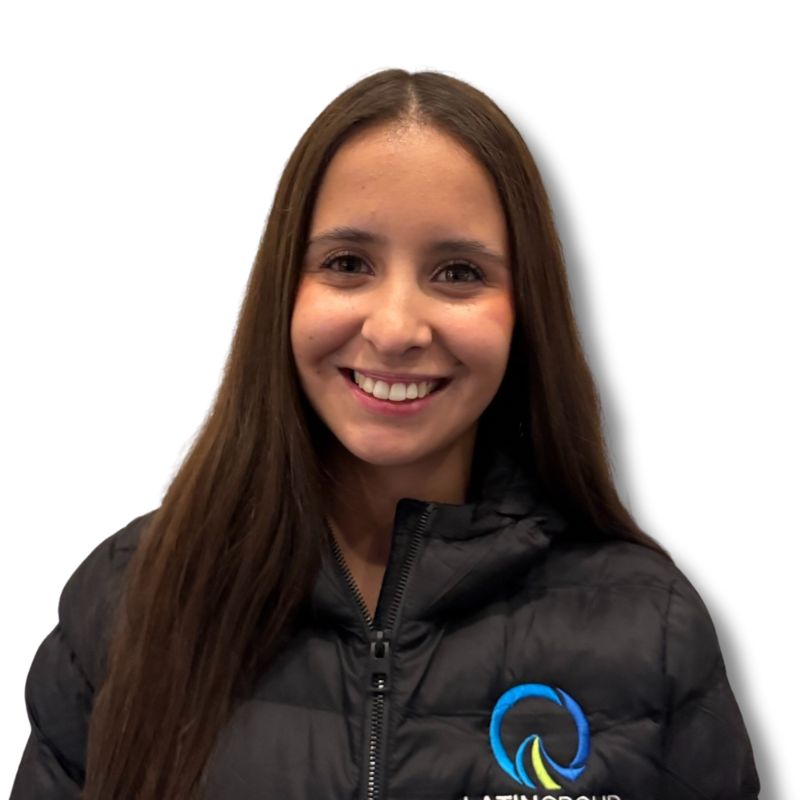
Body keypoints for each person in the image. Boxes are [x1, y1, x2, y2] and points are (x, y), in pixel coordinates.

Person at [11, 68, 761, 800]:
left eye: (459, 273)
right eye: (347, 264)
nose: (397, 328)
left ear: (525, 310)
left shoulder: (647, 626)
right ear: (284, 292)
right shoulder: (127, 599)